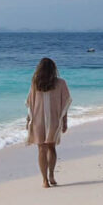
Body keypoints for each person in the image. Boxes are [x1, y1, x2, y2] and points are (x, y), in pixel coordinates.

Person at [26, 57, 71, 188]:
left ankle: (45, 180)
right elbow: (65, 103)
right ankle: (51, 175)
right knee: (51, 147)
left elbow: (30, 103)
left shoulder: (35, 83)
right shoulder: (61, 83)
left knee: (41, 149)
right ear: (53, 69)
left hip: (38, 120)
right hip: (53, 120)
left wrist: (28, 120)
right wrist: (65, 120)